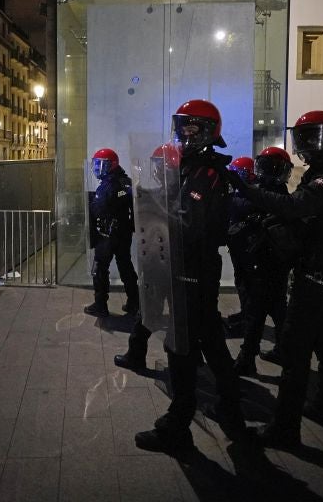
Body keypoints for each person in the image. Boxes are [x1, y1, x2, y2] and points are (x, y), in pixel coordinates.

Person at [229, 110, 323, 448]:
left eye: (308, 138)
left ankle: (285, 428)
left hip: (315, 271)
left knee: (296, 349)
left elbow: (293, 206)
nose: (304, 145)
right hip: (320, 269)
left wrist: (247, 190)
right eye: (301, 138)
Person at [135, 99, 246, 453]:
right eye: (182, 126)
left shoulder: (206, 173)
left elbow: (190, 223)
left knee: (181, 348)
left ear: (210, 131)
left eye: (194, 127)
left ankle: (177, 426)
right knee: (211, 342)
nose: (186, 133)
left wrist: (155, 212)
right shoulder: (193, 168)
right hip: (190, 268)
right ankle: (231, 412)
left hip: (193, 270)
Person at [114, 143, 180, 371]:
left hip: (162, 264)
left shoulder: (174, 193)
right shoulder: (174, 190)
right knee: (174, 315)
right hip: (171, 264)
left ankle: (138, 355)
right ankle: (183, 357)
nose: (156, 170)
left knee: (148, 315)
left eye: (159, 165)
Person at [230, 146, 295, 375]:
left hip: (261, 263)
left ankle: (247, 358)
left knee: (255, 311)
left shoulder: (259, 194)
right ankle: (283, 351)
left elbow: (238, 206)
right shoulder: (285, 197)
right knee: (277, 309)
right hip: (275, 263)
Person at [84, 148, 139, 319]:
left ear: (112, 165)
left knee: (100, 269)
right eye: (97, 164)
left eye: (102, 165)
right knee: (125, 266)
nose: (98, 169)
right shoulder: (126, 182)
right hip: (123, 234)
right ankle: (134, 303)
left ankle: (100, 305)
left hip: (107, 236)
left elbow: (99, 208)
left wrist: (91, 203)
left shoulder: (109, 185)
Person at [225, 156, 257, 336]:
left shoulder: (252, 192)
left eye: (240, 173)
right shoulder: (241, 191)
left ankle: (248, 320)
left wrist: (227, 198)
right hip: (239, 244)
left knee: (249, 285)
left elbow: (241, 206)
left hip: (248, 246)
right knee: (241, 282)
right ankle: (246, 314)